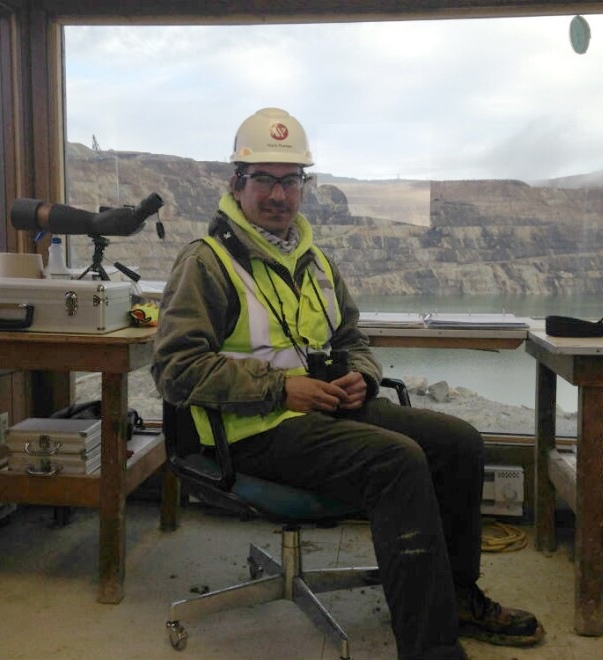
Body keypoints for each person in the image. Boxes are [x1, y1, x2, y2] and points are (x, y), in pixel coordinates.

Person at [151, 107, 544, 660]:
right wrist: (280, 389)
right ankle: (431, 649)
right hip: (247, 430)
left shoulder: (315, 263)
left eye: (290, 181)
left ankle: (455, 597)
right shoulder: (207, 263)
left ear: (304, 187)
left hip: (323, 413)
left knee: (460, 443)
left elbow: (352, 337)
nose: (278, 196)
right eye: (263, 179)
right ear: (236, 183)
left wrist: (363, 375)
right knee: (398, 461)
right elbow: (175, 369)